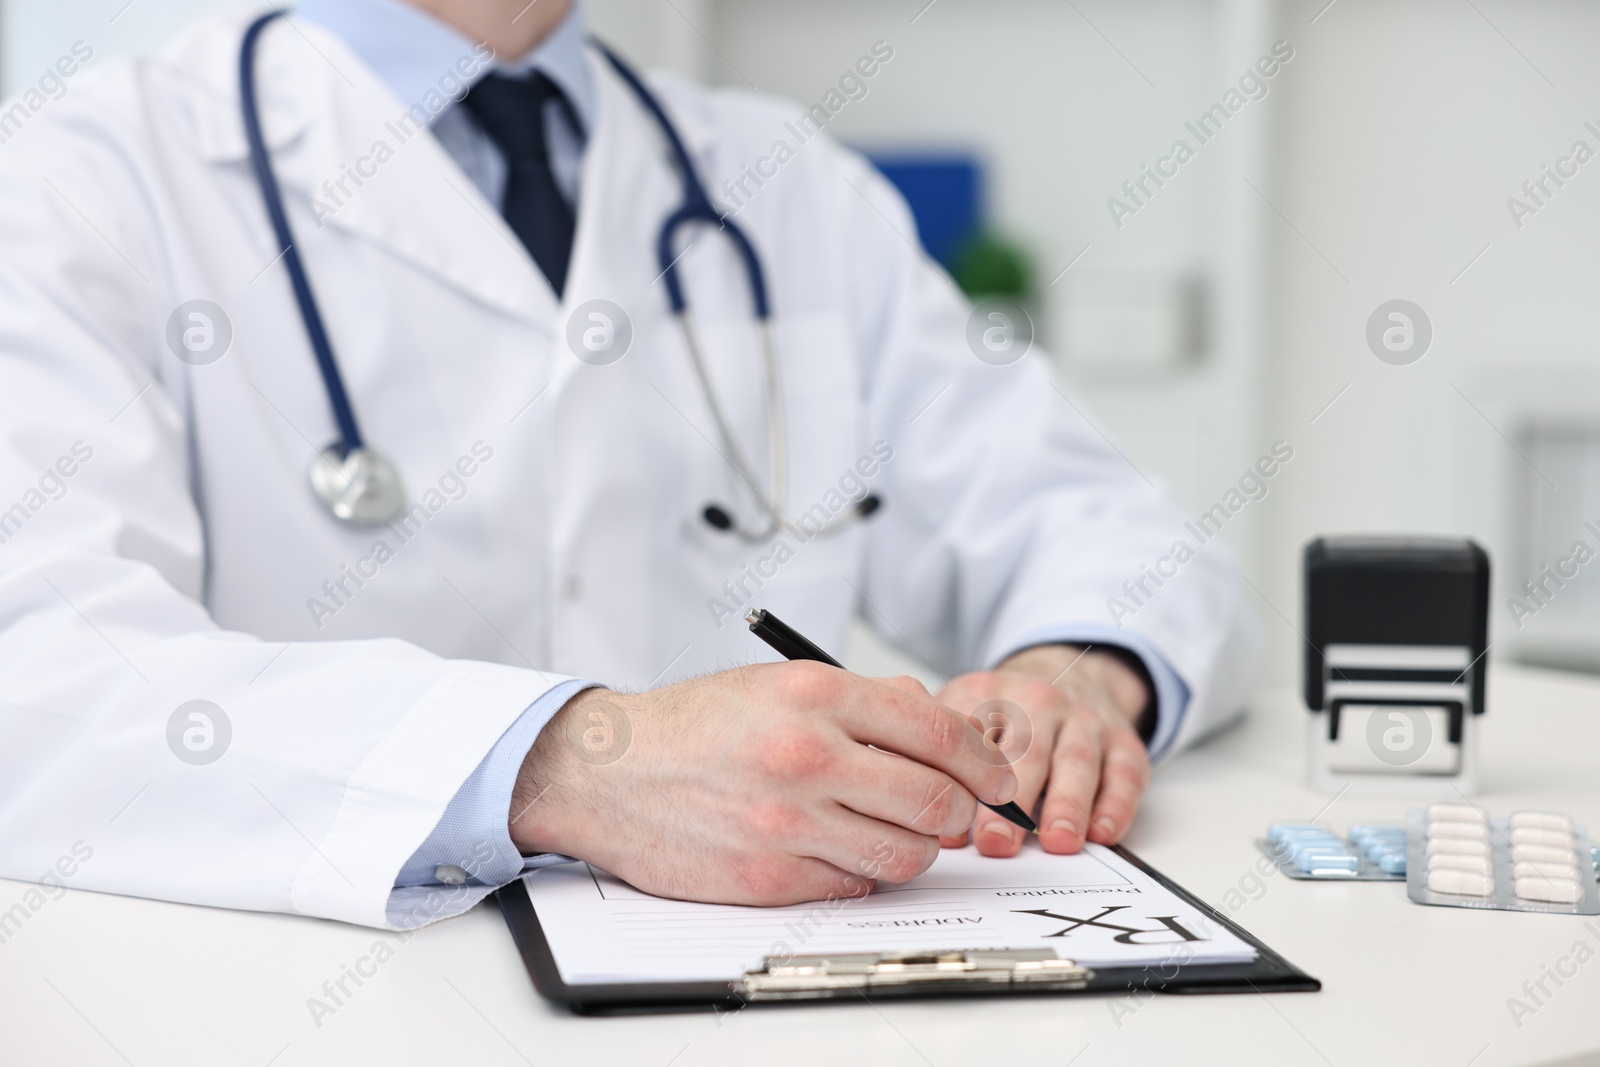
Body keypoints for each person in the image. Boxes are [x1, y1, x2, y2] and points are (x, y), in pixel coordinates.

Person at [0, 0, 1257, 929]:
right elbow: (39, 676)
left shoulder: (783, 183)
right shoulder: (75, 179)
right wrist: (557, 761)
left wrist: (1078, 672)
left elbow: (1102, 522)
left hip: (783, 991)